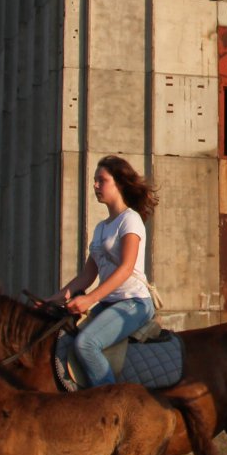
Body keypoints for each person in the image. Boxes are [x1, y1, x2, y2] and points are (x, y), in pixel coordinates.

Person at [50, 155, 158, 387]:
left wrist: (90, 299)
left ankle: (109, 404)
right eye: (94, 180)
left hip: (133, 303)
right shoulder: (101, 227)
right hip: (108, 303)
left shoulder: (131, 220)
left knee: (85, 344)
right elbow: (87, 275)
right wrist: (54, 299)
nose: (95, 186)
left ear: (119, 183)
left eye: (101, 180)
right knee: (64, 336)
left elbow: (126, 268)